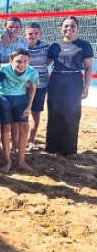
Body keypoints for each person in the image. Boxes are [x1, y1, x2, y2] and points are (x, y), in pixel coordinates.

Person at [46, 16, 94, 156]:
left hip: (74, 81)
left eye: (72, 26)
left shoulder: (84, 45)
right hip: (56, 80)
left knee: (71, 114)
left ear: (78, 28)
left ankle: (68, 149)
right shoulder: (55, 45)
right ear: (61, 28)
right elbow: (45, 63)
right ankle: (52, 147)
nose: (69, 28)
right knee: (54, 112)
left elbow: (89, 67)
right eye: (66, 26)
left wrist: (86, 87)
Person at [0, 49, 38, 173]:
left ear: (29, 61)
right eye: (18, 61)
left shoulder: (32, 72)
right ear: (11, 60)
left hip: (20, 99)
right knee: (6, 127)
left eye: (25, 61)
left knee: (24, 127)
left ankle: (21, 161)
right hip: (3, 97)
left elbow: (33, 87)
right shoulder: (3, 68)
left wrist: (29, 105)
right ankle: (7, 161)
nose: (21, 64)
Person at [24, 22, 50, 151]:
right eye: (30, 33)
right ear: (25, 35)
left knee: (35, 112)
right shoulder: (22, 46)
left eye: (36, 33)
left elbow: (50, 61)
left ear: (41, 34)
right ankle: (20, 139)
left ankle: (31, 140)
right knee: (21, 112)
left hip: (41, 84)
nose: (33, 36)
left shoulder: (46, 47)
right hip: (22, 85)